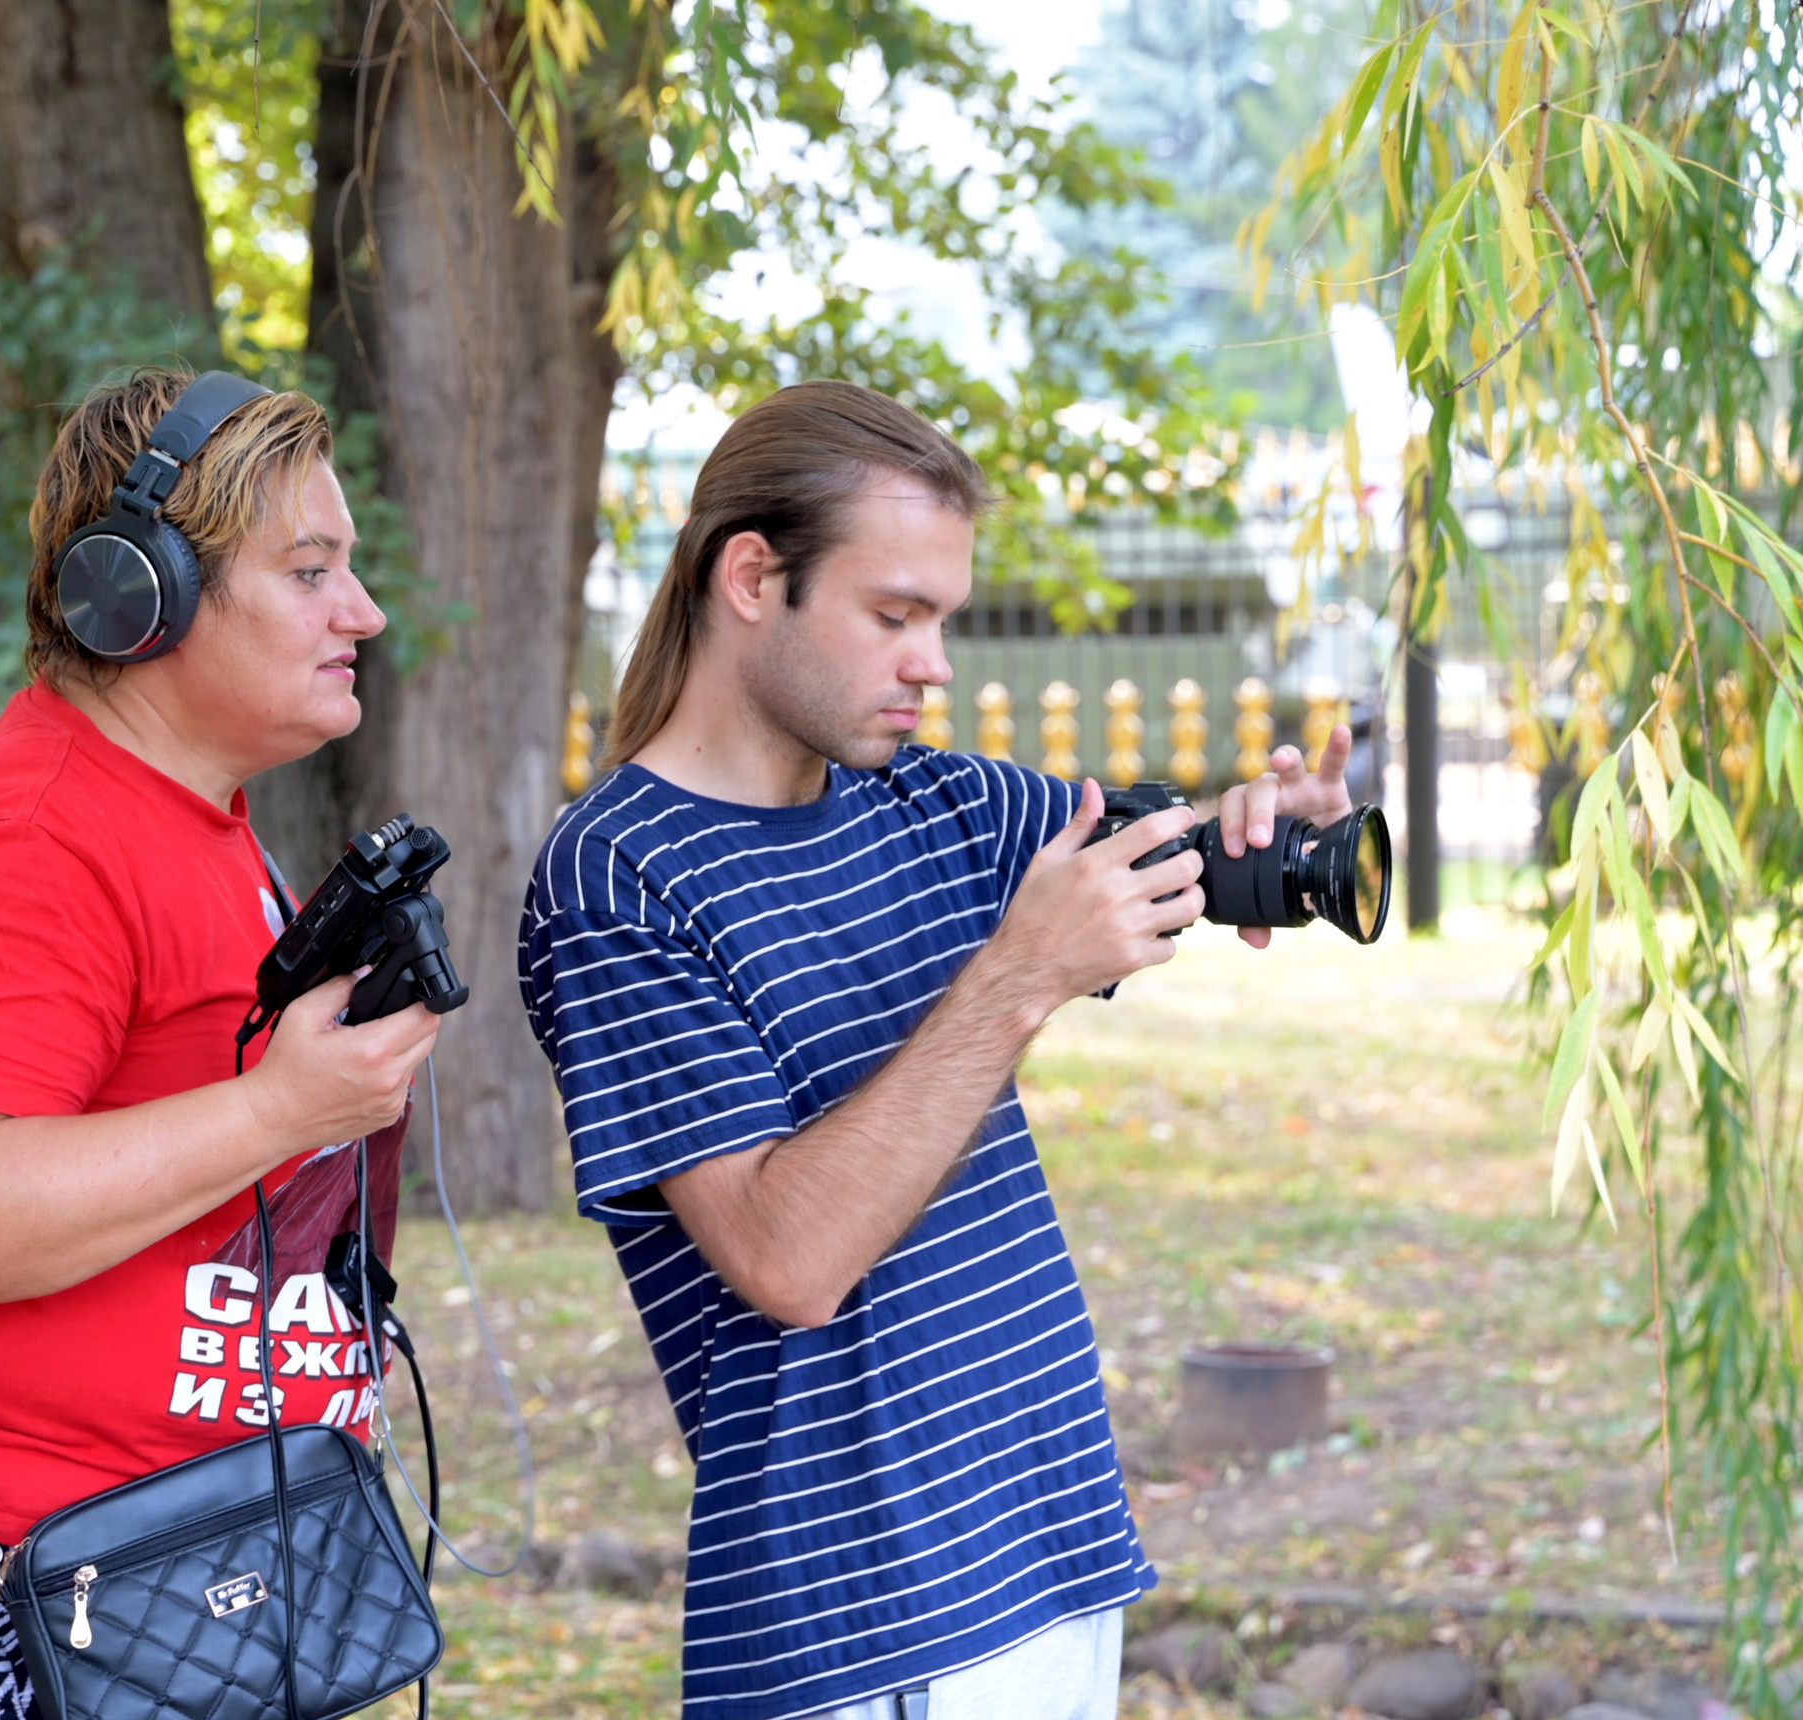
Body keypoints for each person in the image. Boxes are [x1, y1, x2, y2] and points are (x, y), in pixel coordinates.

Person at [517, 381, 1353, 1720]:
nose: (934, 664)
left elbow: (1162, 853)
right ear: (752, 576)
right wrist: (1018, 976)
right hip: (874, 1618)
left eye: (943, 621)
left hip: (1050, 1543)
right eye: (894, 615)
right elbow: (785, 1260)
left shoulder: (937, 801)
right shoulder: (619, 877)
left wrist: (1279, 831)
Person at [0, 368, 441, 1720]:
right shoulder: (31, 841)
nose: (364, 613)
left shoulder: (195, 822)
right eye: (310, 570)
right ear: (135, 590)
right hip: (43, 1569)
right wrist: (282, 1110)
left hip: (195, 1547)